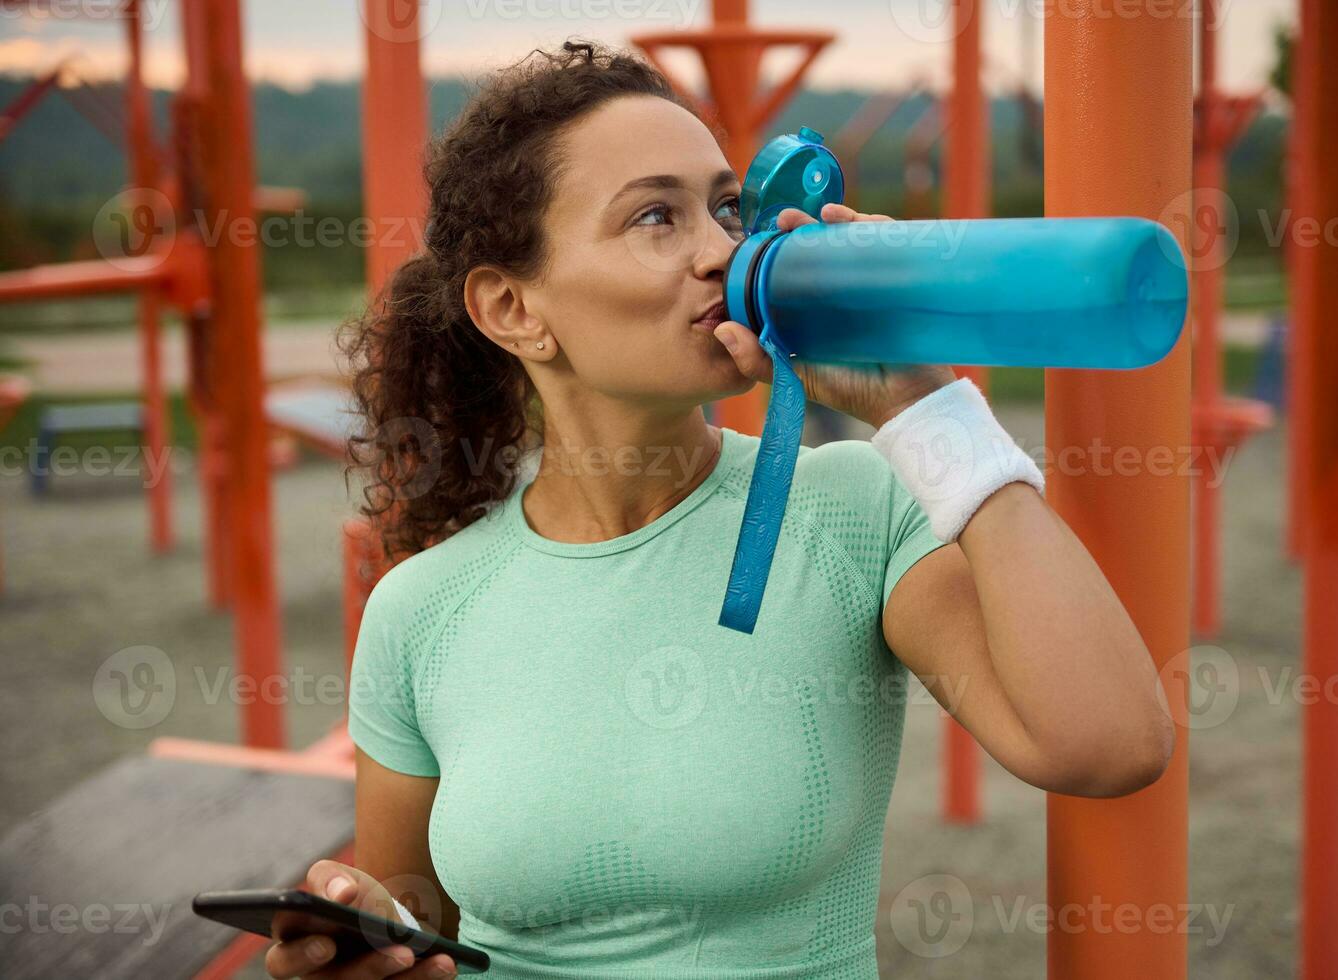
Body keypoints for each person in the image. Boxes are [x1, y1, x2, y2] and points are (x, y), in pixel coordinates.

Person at [265, 39, 1173, 980]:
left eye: (726, 207)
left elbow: (1106, 744)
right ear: (512, 308)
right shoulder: (420, 607)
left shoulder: (850, 506)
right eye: (657, 216)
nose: (722, 250)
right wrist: (363, 940)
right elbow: (417, 920)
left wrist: (926, 410)